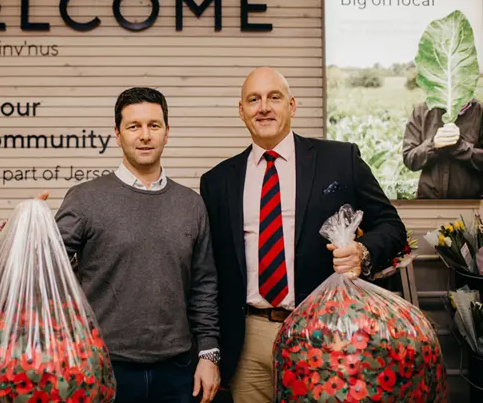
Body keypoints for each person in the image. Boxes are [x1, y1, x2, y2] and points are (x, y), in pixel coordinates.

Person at [199, 67, 407, 403]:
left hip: (327, 331)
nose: (263, 107)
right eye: (253, 99)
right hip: (248, 340)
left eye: (274, 97)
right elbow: (209, 270)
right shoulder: (217, 181)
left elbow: (391, 226)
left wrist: (363, 251)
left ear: (292, 106)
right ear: (242, 111)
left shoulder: (341, 159)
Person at [38, 87, 221, 403]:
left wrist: (209, 352)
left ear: (167, 132)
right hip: (103, 366)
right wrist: (31, 226)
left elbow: (204, 285)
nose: (145, 135)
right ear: (117, 135)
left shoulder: (191, 205)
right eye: (133, 126)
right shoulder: (85, 199)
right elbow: (46, 271)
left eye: (154, 125)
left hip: (177, 371)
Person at [402, 98, 483, 199]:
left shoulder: (480, 111)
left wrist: (460, 147)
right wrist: (433, 145)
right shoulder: (421, 111)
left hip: (470, 203)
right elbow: (409, 158)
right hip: (429, 201)